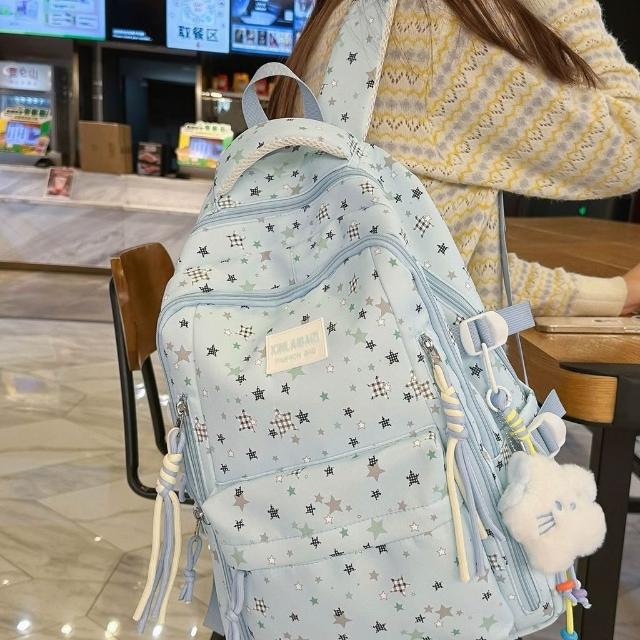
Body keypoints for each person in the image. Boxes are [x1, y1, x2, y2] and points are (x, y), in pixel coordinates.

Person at [270, 0, 640, 316]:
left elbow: (445, 271)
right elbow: (630, 142)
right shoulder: (440, 30)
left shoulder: (340, 18)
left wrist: (616, 295)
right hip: (407, 377)